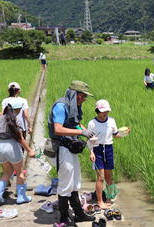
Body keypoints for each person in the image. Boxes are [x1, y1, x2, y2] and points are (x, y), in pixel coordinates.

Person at [48, 80, 96, 226]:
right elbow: (58, 129)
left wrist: (87, 133)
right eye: (82, 96)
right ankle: (63, 217)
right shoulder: (61, 106)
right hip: (62, 148)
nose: (84, 99)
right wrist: (81, 131)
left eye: (85, 96)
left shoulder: (74, 108)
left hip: (71, 148)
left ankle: (79, 214)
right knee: (65, 183)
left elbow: (74, 123)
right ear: (74, 94)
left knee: (75, 182)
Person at [87, 99, 131, 209]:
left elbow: (115, 134)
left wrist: (124, 133)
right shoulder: (92, 123)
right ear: (97, 111)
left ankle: (109, 198)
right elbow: (89, 140)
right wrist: (91, 152)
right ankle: (100, 201)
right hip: (97, 149)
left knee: (109, 176)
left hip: (109, 149)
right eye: (103, 111)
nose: (105, 113)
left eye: (107, 111)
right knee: (100, 177)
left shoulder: (111, 121)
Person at [0, 98, 35, 205]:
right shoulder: (14, 120)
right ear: (17, 109)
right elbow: (20, 138)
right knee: (20, 172)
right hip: (11, 147)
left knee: (7, 172)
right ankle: (21, 197)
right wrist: (29, 151)